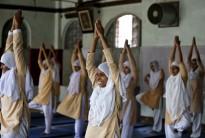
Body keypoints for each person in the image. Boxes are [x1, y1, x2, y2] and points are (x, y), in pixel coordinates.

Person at [85, 19, 126, 138]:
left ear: (109, 76)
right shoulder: (96, 86)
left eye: (102, 74)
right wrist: (95, 39)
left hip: (109, 132)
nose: (97, 77)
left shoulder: (115, 88)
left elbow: (111, 63)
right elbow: (89, 65)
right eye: (97, 74)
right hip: (93, 129)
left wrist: (102, 36)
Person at [0, 10, 34, 138]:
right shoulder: (4, 77)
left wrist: (18, 29)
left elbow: (17, 51)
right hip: (6, 121)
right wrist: (11, 30)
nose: (2, 66)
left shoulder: (19, 73)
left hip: (19, 121)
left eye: (4, 64)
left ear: (11, 64)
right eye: (1, 64)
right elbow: (8, 50)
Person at [57, 40, 88, 138]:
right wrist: (75, 49)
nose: (75, 67)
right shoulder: (74, 73)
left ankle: (78, 135)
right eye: (74, 66)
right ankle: (77, 135)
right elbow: (72, 59)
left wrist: (79, 50)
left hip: (81, 97)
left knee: (79, 118)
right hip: (74, 97)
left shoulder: (83, 73)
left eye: (76, 66)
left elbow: (83, 63)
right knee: (77, 117)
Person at [165, 36, 191, 138]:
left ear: (179, 69)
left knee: (186, 123)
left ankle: (177, 127)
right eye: (172, 68)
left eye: (176, 68)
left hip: (180, 108)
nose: (173, 70)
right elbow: (170, 59)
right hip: (169, 108)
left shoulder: (182, 77)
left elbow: (180, 61)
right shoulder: (171, 77)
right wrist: (174, 46)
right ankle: (176, 129)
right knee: (169, 132)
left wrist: (178, 47)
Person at [29, 44, 53, 135]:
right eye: (43, 64)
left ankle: (47, 131)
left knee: (47, 116)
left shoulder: (50, 71)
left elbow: (48, 61)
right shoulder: (43, 70)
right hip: (40, 95)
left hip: (47, 96)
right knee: (29, 105)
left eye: (45, 64)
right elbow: (38, 60)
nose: (43, 64)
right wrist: (40, 50)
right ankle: (41, 108)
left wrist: (44, 51)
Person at [136, 60, 164, 133]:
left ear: (156, 65)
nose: (151, 67)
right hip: (151, 93)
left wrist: (153, 75)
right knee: (138, 97)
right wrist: (147, 77)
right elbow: (150, 84)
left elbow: (160, 80)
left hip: (158, 95)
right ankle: (150, 106)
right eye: (151, 66)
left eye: (153, 65)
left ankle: (156, 129)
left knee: (157, 113)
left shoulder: (160, 72)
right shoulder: (151, 74)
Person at [119, 40, 137, 138]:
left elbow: (133, 66)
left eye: (127, 67)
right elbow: (120, 63)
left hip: (129, 103)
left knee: (127, 124)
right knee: (119, 123)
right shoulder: (121, 76)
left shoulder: (132, 78)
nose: (125, 69)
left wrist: (129, 51)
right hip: (120, 101)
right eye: (124, 67)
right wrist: (123, 51)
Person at [187, 37, 204, 138]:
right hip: (190, 95)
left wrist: (195, 46)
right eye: (192, 62)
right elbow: (188, 58)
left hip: (197, 97)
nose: (193, 63)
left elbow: (199, 59)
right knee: (192, 115)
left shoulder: (201, 71)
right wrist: (191, 45)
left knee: (197, 115)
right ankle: (194, 132)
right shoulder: (191, 71)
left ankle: (196, 134)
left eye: (195, 62)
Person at [49, 45, 60, 113]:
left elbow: (55, 58)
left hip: (56, 81)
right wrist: (50, 51)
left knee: (56, 95)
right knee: (51, 95)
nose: (52, 62)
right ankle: (51, 107)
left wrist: (52, 51)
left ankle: (55, 108)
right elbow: (48, 59)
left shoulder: (57, 65)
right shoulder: (51, 66)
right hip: (51, 81)